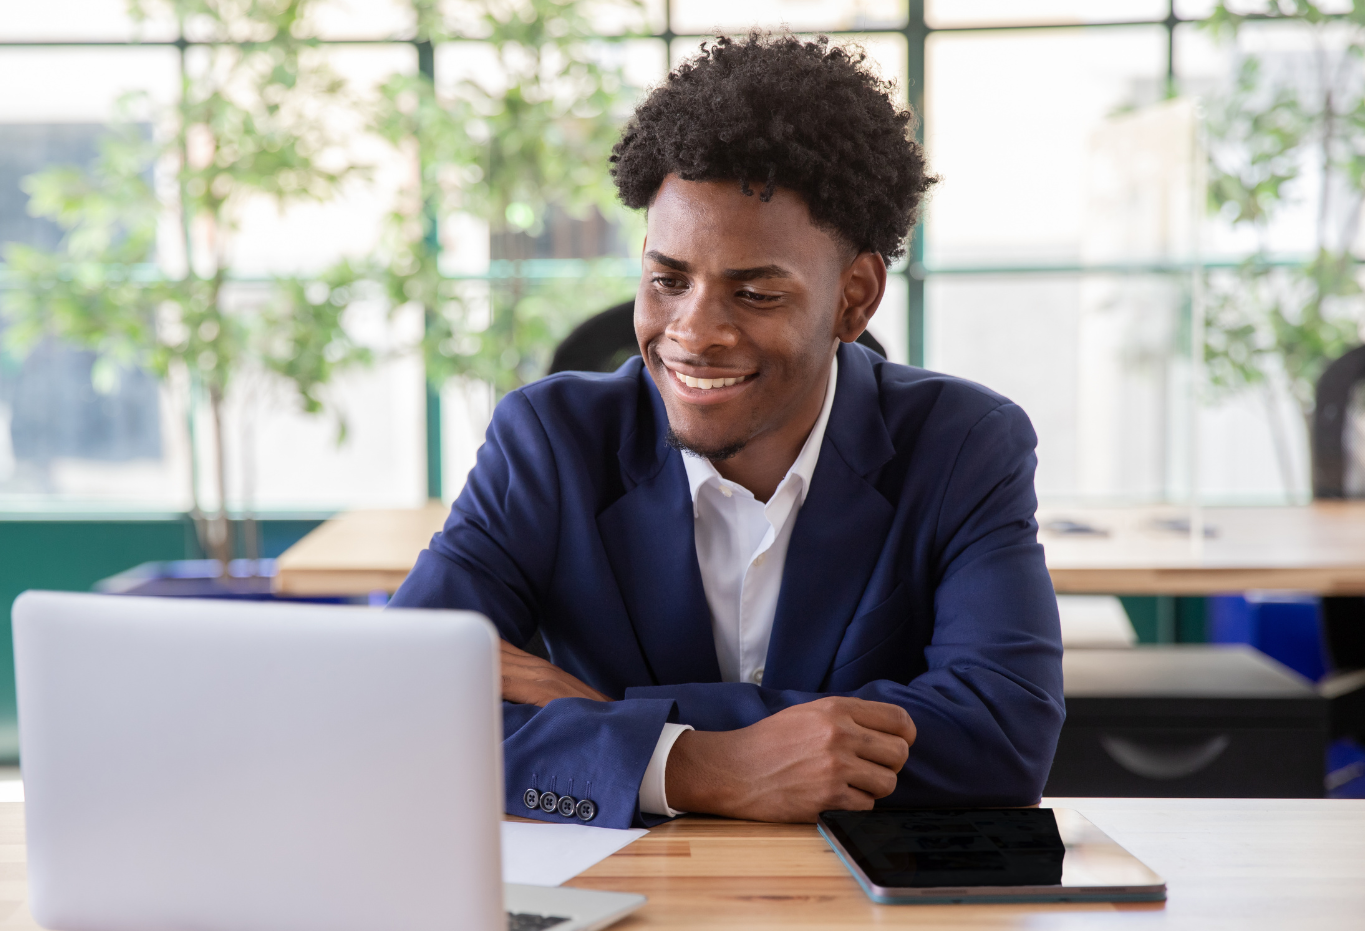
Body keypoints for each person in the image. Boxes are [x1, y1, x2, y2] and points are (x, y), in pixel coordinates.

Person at [391, 33, 1064, 829]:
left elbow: (1002, 738)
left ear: (854, 297)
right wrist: (700, 766)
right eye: (667, 281)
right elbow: (400, 702)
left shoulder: (962, 444)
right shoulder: (549, 441)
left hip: (857, 923)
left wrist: (610, 719)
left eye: (754, 295)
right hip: (614, 905)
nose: (694, 332)